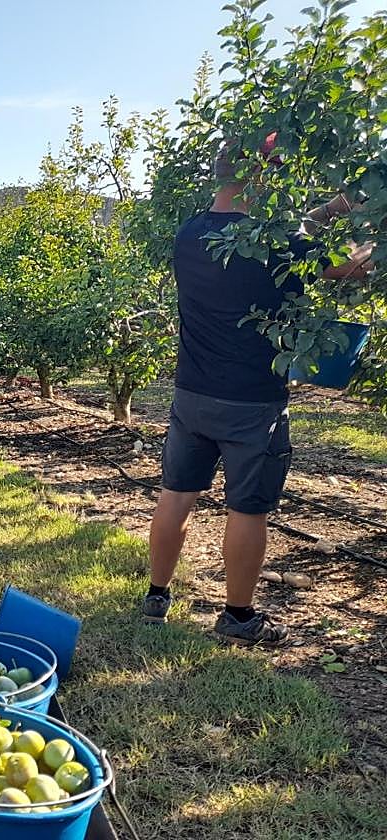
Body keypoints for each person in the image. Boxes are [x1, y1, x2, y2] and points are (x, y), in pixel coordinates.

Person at [142, 134, 374, 645]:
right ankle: (238, 616)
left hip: (192, 394)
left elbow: (289, 233)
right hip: (253, 402)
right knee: (248, 508)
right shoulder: (281, 243)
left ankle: (156, 597)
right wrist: (371, 231)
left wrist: (335, 207)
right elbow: (353, 266)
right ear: (260, 177)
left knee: (176, 494)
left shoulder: (190, 233)